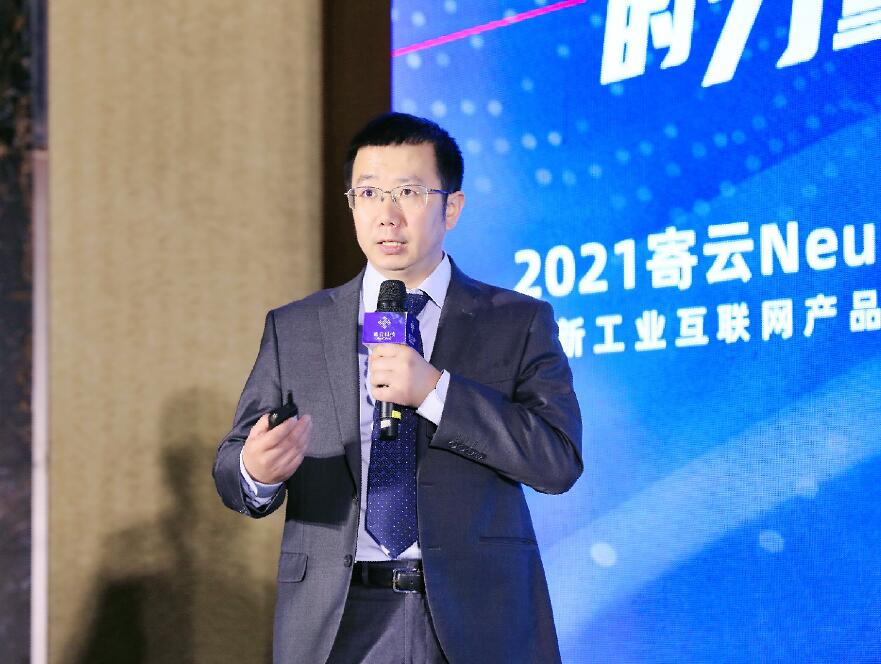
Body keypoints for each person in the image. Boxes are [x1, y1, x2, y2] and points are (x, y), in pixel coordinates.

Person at [213, 112, 583, 664]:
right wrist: (255, 470)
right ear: (351, 205)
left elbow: (557, 461)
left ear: (451, 207)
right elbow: (232, 463)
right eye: (368, 193)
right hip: (339, 617)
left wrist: (436, 391)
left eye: (408, 192)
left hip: (477, 616)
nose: (387, 214)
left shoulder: (517, 321)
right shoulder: (296, 327)